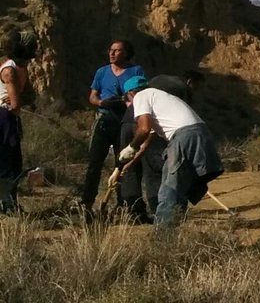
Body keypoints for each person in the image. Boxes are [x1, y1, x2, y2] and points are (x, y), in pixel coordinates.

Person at [123, 74, 221, 228]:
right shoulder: (161, 97)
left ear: (130, 93)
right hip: (201, 134)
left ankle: (163, 239)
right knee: (181, 186)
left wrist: (130, 147)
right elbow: (148, 139)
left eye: (126, 99)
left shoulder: (141, 96)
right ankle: (176, 229)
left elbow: (144, 129)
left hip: (184, 136)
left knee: (169, 190)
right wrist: (130, 162)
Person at [79, 40, 145, 212]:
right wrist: (102, 102)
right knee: (95, 162)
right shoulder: (102, 72)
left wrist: (125, 102)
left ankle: (123, 203)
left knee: (122, 162)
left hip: (125, 121)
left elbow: (141, 92)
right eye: (111, 50)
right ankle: (86, 202)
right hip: (105, 119)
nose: (112, 53)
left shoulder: (135, 70)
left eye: (117, 50)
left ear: (126, 53)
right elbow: (92, 96)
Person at [0, 52, 23, 213]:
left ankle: (9, 203)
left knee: (12, 163)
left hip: (8, 118)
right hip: (5, 118)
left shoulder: (15, 68)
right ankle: (7, 204)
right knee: (7, 162)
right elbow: (15, 106)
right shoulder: (9, 70)